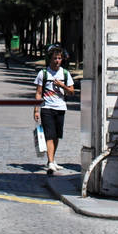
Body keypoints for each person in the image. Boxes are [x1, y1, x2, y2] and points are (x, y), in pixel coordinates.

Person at [34, 45, 74, 175]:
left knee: (57, 136)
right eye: (55, 58)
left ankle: (52, 159)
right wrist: (36, 110)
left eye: (59, 58)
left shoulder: (65, 73)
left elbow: (72, 92)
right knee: (49, 135)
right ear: (50, 59)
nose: (57, 61)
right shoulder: (43, 73)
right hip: (47, 108)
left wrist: (61, 85)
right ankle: (50, 162)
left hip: (60, 107)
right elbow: (38, 93)